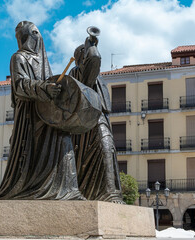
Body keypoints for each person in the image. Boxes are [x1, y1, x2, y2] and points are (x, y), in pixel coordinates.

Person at [0, 21, 84, 200]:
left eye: (37, 33)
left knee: (64, 140)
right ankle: (33, 187)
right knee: (34, 152)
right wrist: (45, 88)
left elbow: (48, 82)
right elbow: (20, 85)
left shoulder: (43, 61)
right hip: (30, 114)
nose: (36, 37)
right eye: (31, 33)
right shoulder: (18, 58)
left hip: (47, 113)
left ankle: (68, 190)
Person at [70, 33, 124, 203]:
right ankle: (109, 192)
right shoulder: (78, 72)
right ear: (81, 57)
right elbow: (94, 59)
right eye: (84, 53)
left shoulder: (96, 76)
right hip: (88, 120)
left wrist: (91, 46)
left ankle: (105, 191)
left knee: (106, 151)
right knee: (105, 146)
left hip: (99, 117)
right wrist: (91, 46)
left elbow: (94, 61)